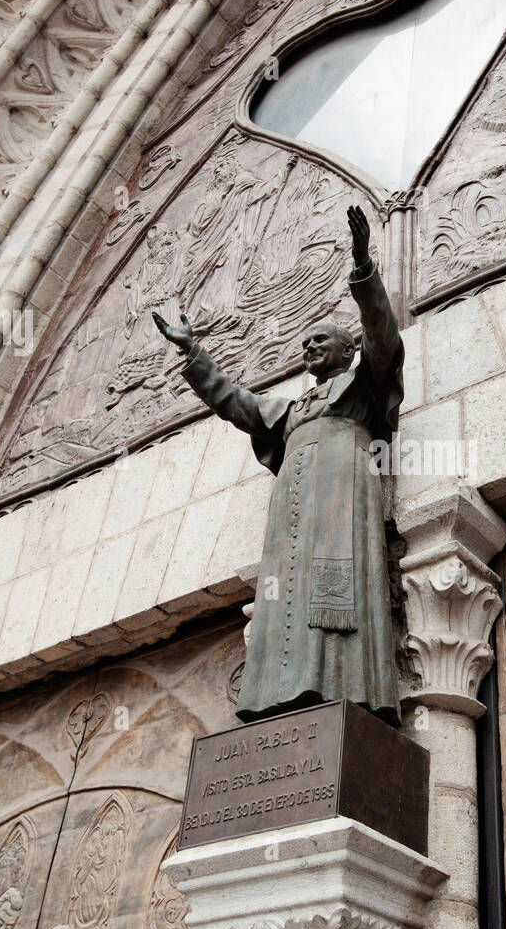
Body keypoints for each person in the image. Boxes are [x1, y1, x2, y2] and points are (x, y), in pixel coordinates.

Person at [153, 205, 403, 726]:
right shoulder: (291, 409)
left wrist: (363, 266)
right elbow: (235, 402)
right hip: (293, 514)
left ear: (347, 347)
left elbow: (383, 337)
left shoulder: (363, 386)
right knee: (287, 597)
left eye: (321, 340)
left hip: (343, 501)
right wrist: (195, 354)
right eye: (305, 343)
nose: (310, 347)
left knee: (339, 594)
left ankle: (347, 691)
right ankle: (283, 691)